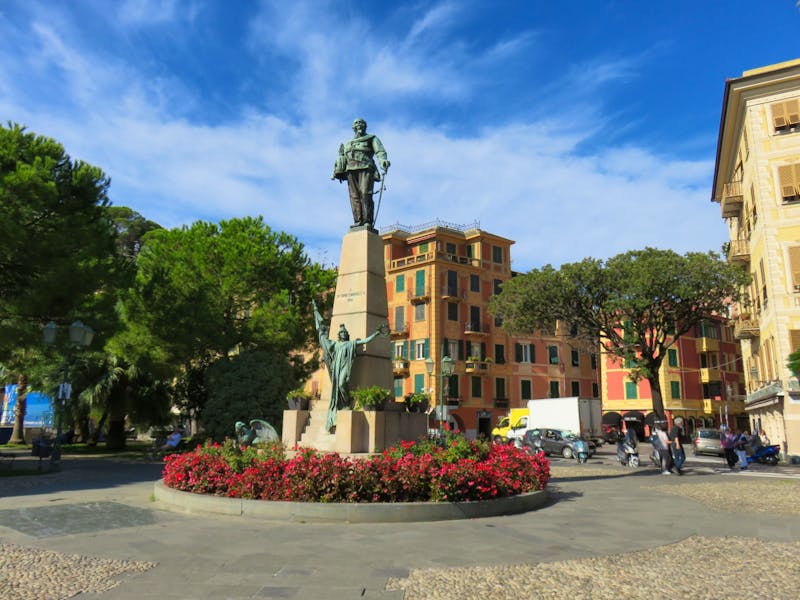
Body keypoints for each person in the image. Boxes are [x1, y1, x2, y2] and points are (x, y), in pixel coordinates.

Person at [332, 118, 390, 228]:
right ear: (353, 127)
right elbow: (343, 158)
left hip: (366, 167)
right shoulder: (348, 143)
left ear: (365, 126)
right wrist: (338, 167)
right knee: (354, 196)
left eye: (361, 123)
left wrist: (382, 160)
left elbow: (380, 151)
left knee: (365, 193)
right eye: (356, 123)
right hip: (350, 170)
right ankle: (358, 221)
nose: (359, 125)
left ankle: (367, 221)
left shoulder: (371, 138)